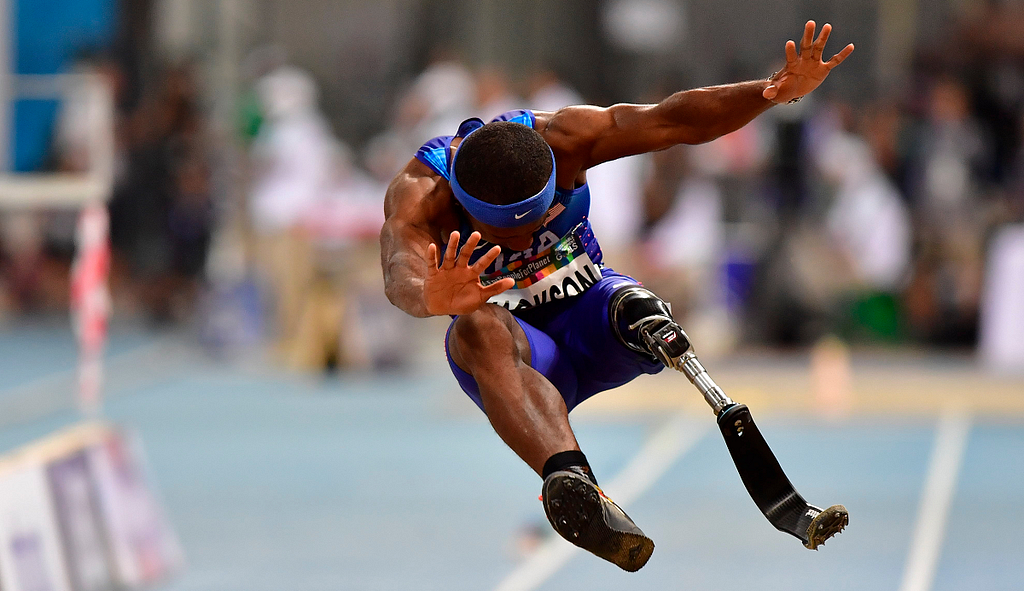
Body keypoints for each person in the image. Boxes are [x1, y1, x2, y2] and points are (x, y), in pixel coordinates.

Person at [380, 21, 853, 571]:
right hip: (520, 359)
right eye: (508, 236)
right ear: (465, 206)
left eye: (538, 222)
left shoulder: (565, 140)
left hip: (590, 318)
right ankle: (577, 489)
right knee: (475, 327)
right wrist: (430, 294)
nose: (529, 241)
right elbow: (399, 271)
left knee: (639, 306)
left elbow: (671, 119)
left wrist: (771, 92)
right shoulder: (422, 196)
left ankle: (651, 343)